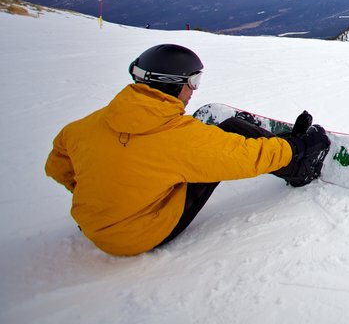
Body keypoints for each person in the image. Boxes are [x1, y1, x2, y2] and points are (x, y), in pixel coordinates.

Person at [44, 44, 330, 256]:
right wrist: (299, 146)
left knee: (197, 153)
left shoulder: (83, 126)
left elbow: (57, 167)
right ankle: (302, 170)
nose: (194, 90)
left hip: (90, 226)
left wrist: (107, 191)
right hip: (139, 236)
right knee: (231, 131)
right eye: (193, 81)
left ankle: (277, 146)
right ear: (172, 84)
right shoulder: (178, 139)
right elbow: (247, 158)